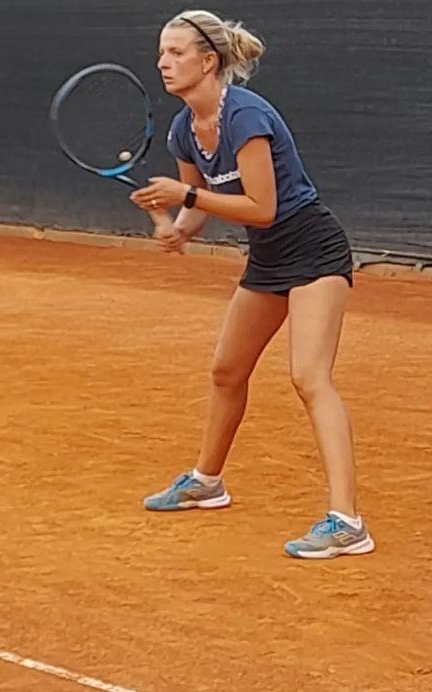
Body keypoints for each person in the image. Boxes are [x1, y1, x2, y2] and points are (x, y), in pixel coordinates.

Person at [130, 9, 374, 559]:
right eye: (161, 52)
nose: (163, 62)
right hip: (268, 258)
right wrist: (175, 227)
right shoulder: (183, 129)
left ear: (207, 61)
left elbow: (262, 207)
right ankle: (206, 482)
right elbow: (199, 210)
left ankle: (347, 522)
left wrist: (185, 196)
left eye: (175, 52)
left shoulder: (245, 115)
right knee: (227, 370)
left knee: (309, 376)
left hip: (312, 249)